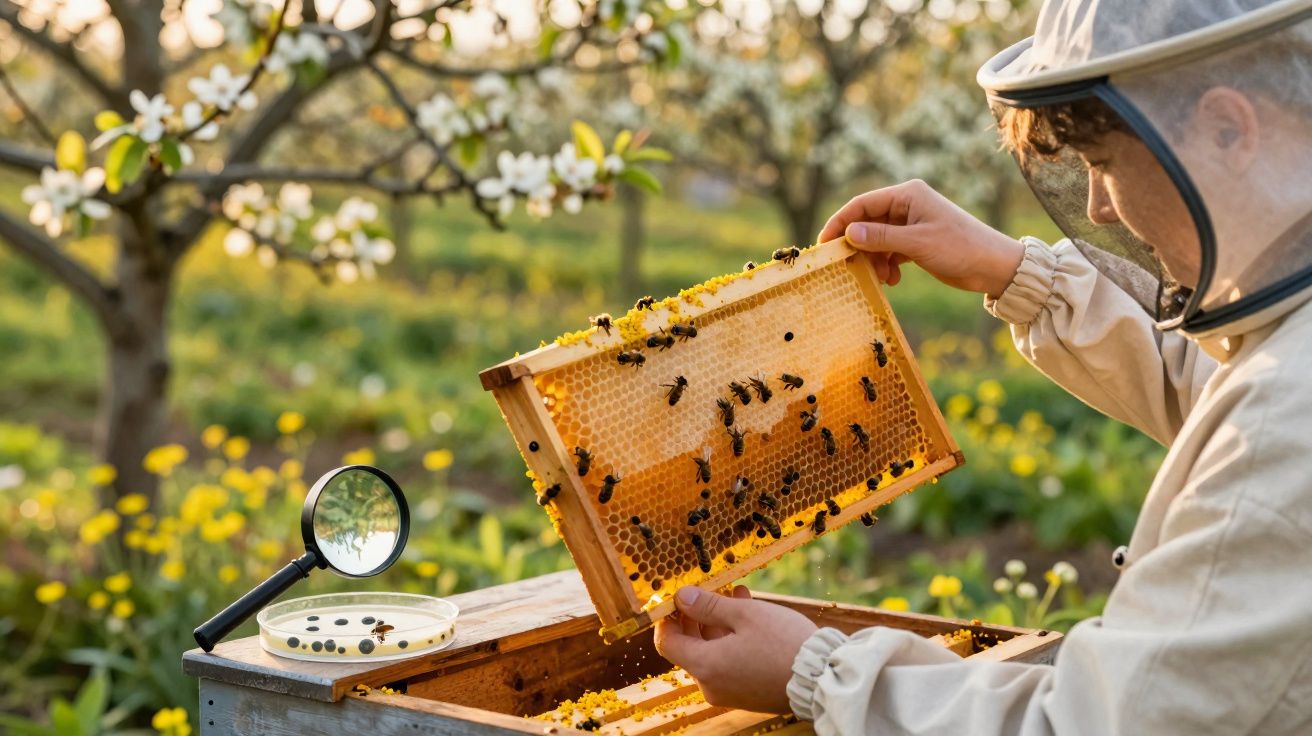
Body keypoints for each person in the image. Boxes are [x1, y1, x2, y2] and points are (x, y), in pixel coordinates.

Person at [653, 0, 1312, 733]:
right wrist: (1014, 272)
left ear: (1229, 128)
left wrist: (820, 675)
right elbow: (1224, 389)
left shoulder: (1288, 430)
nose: (1096, 207)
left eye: (1101, 165)